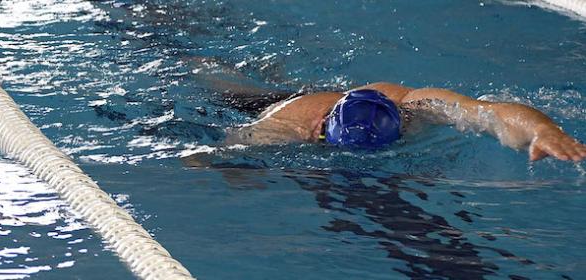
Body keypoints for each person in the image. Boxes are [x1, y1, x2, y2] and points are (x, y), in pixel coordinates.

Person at [221, 82, 586, 162]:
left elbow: (492, 112)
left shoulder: (414, 104)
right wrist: (232, 170)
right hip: (271, 101)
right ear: (320, 129)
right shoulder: (278, 128)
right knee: (224, 86)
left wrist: (543, 130)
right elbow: (219, 150)